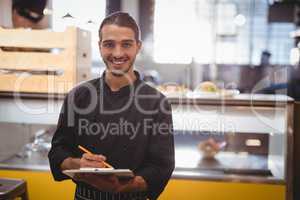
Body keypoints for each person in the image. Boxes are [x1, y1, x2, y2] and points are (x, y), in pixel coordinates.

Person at [48, 12, 175, 200]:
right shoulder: (78, 96)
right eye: (109, 44)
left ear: (138, 47)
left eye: (126, 44)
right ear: (99, 46)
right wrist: (77, 163)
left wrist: (123, 187)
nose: (117, 53)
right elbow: (58, 151)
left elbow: (160, 167)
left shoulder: (157, 102)